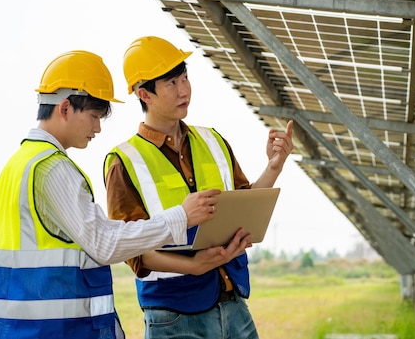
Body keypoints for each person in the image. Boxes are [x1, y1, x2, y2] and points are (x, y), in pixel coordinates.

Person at [0, 50, 248, 339]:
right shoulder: (52, 168)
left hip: (21, 327)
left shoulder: (20, 164)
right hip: (52, 329)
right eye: (95, 116)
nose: (97, 128)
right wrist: (180, 217)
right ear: (65, 108)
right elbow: (104, 244)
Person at [104, 36, 294, 339]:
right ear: (145, 94)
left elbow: (244, 206)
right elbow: (132, 249)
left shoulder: (212, 140)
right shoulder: (124, 161)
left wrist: (274, 165)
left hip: (232, 302)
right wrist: (193, 266)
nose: (184, 90)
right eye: (171, 83)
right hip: (174, 315)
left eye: (185, 78)